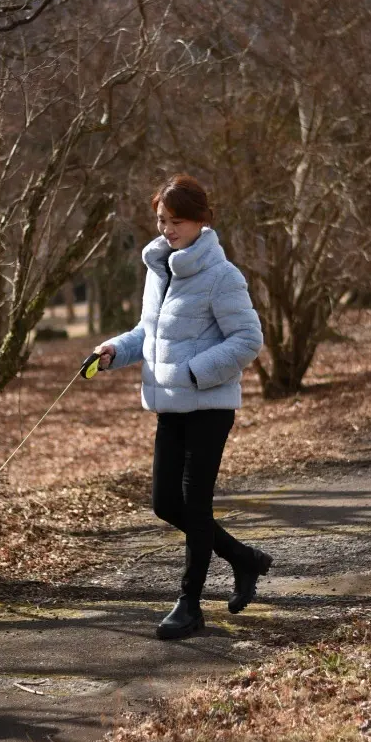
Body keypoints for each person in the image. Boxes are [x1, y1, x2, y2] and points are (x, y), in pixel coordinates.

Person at [95, 174, 273, 640]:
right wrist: (115, 349)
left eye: (177, 221)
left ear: (201, 221)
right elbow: (148, 335)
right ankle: (245, 559)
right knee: (164, 503)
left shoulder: (222, 276)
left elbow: (248, 340)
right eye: (161, 220)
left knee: (195, 504)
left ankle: (190, 604)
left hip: (209, 408)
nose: (167, 229)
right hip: (171, 408)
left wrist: (195, 373)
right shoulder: (160, 269)